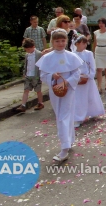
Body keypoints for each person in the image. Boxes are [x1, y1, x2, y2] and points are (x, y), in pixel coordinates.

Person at [36, 29, 82, 162]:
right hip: (55, 89)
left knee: (63, 116)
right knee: (61, 115)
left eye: (63, 41)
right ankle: (70, 139)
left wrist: (67, 82)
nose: (60, 43)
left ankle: (64, 148)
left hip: (68, 88)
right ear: (53, 42)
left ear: (66, 41)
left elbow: (77, 73)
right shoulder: (47, 58)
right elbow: (43, 75)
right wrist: (52, 76)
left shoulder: (71, 56)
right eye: (57, 41)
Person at [73, 35, 104, 127]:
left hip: (87, 78)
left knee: (91, 97)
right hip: (78, 79)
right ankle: (79, 117)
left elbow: (92, 66)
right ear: (77, 44)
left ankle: (94, 112)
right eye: (83, 43)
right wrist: (77, 77)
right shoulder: (73, 54)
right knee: (79, 99)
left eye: (86, 43)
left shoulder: (88, 53)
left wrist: (89, 76)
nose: (85, 45)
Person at [16, 39, 44, 113]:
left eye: (28, 49)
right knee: (26, 90)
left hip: (36, 75)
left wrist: (41, 74)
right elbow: (26, 64)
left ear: (33, 47)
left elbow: (42, 64)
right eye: (26, 49)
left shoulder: (39, 54)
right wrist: (24, 72)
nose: (27, 50)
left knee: (38, 90)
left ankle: (40, 103)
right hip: (28, 75)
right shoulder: (27, 55)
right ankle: (23, 105)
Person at [93, 18, 106, 93]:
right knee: (99, 69)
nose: (101, 25)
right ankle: (99, 86)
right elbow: (95, 43)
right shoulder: (96, 32)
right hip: (98, 51)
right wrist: (93, 52)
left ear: (105, 24)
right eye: (99, 23)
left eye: (102, 23)